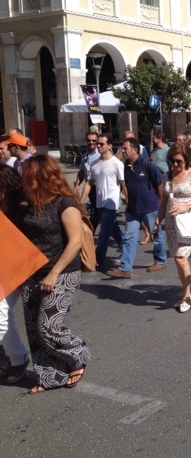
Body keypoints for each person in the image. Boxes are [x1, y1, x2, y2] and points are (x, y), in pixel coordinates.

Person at [20, 155, 91, 393]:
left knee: (47, 327)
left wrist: (54, 273)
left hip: (62, 273)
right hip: (33, 272)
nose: (23, 178)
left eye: (26, 174)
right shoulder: (29, 202)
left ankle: (78, 354)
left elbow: (75, 242)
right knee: (33, 329)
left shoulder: (65, 203)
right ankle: (51, 377)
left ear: (40, 176)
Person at [152, 143, 191, 312]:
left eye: (179, 161)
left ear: (187, 160)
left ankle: (187, 296)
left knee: (180, 258)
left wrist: (186, 207)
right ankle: (187, 292)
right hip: (171, 225)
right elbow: (164, 203)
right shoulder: (167, 176)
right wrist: (157, 223)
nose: (175, 165)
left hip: (188, 222)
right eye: (172, 161)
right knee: (178, 260)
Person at [106, 138, 167, 278]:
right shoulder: (125, 167)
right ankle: (125, 268)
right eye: (122, 148)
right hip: (132, 209)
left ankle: (161, 260)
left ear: (135, 150)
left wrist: (161, 203)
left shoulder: (147, 164)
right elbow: (125, 186)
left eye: (125, 148)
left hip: (150, 208)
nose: (123, 151)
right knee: (129, 238)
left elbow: (159, 184)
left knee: (155, 236)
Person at [0, 165, 30, 384]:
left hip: (19, 270)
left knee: (0, 312)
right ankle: (11, 358)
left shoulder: (22, 209)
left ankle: (18, 359)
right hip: (3, 268)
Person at [80, 133, 126, 269]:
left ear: (110, 146)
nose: (98, 146)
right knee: (113, 228)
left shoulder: (117, 163)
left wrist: (128, 201)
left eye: (101, 144)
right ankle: (126, 247)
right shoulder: (94, 164)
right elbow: (89, 183)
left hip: (111, 203)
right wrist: (81, 201)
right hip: (99, 203)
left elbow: (123, 184)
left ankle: (98, 260)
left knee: (104, 233)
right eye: (97, 143)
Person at [74, 131, 101, 228]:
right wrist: (77, 184)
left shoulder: (100, 155)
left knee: (98, 213)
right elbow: (82, 171)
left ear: (97, 141)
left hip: (99, 188)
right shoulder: (85, 156)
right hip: (89, 188)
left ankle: (90, 230)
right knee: (98, 213)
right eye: (89, 140)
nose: (91, 142)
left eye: (94, 140)